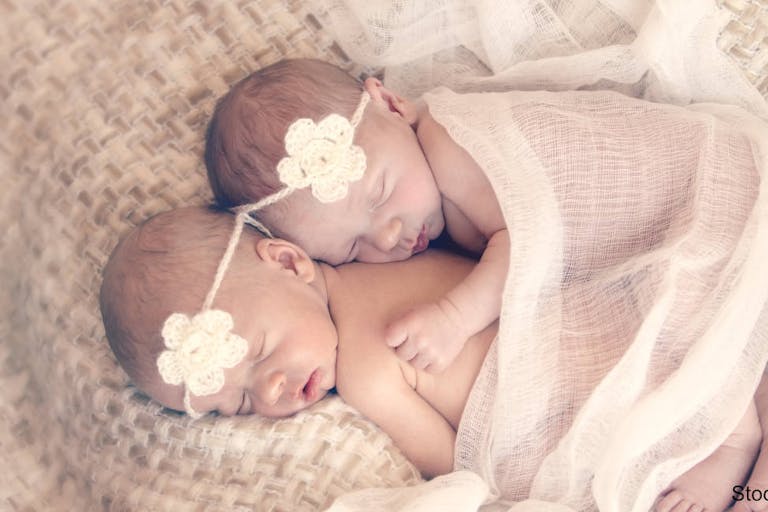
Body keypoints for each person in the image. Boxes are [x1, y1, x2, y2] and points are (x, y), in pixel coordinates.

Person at [100, 206, 767, 512]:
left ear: (288, 260)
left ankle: (734, 446)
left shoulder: (363, 367)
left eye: (262, 353)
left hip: (569, 369)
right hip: (595, 339)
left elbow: (458, 461)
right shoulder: (399, 254)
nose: (271, 390)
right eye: (239, 403)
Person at [205, 58, 507, 374]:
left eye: (380, 194)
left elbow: (533, 243)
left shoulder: (446, 142)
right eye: (352, 247)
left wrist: (454, 318)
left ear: (392, 106)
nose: (386, 238)